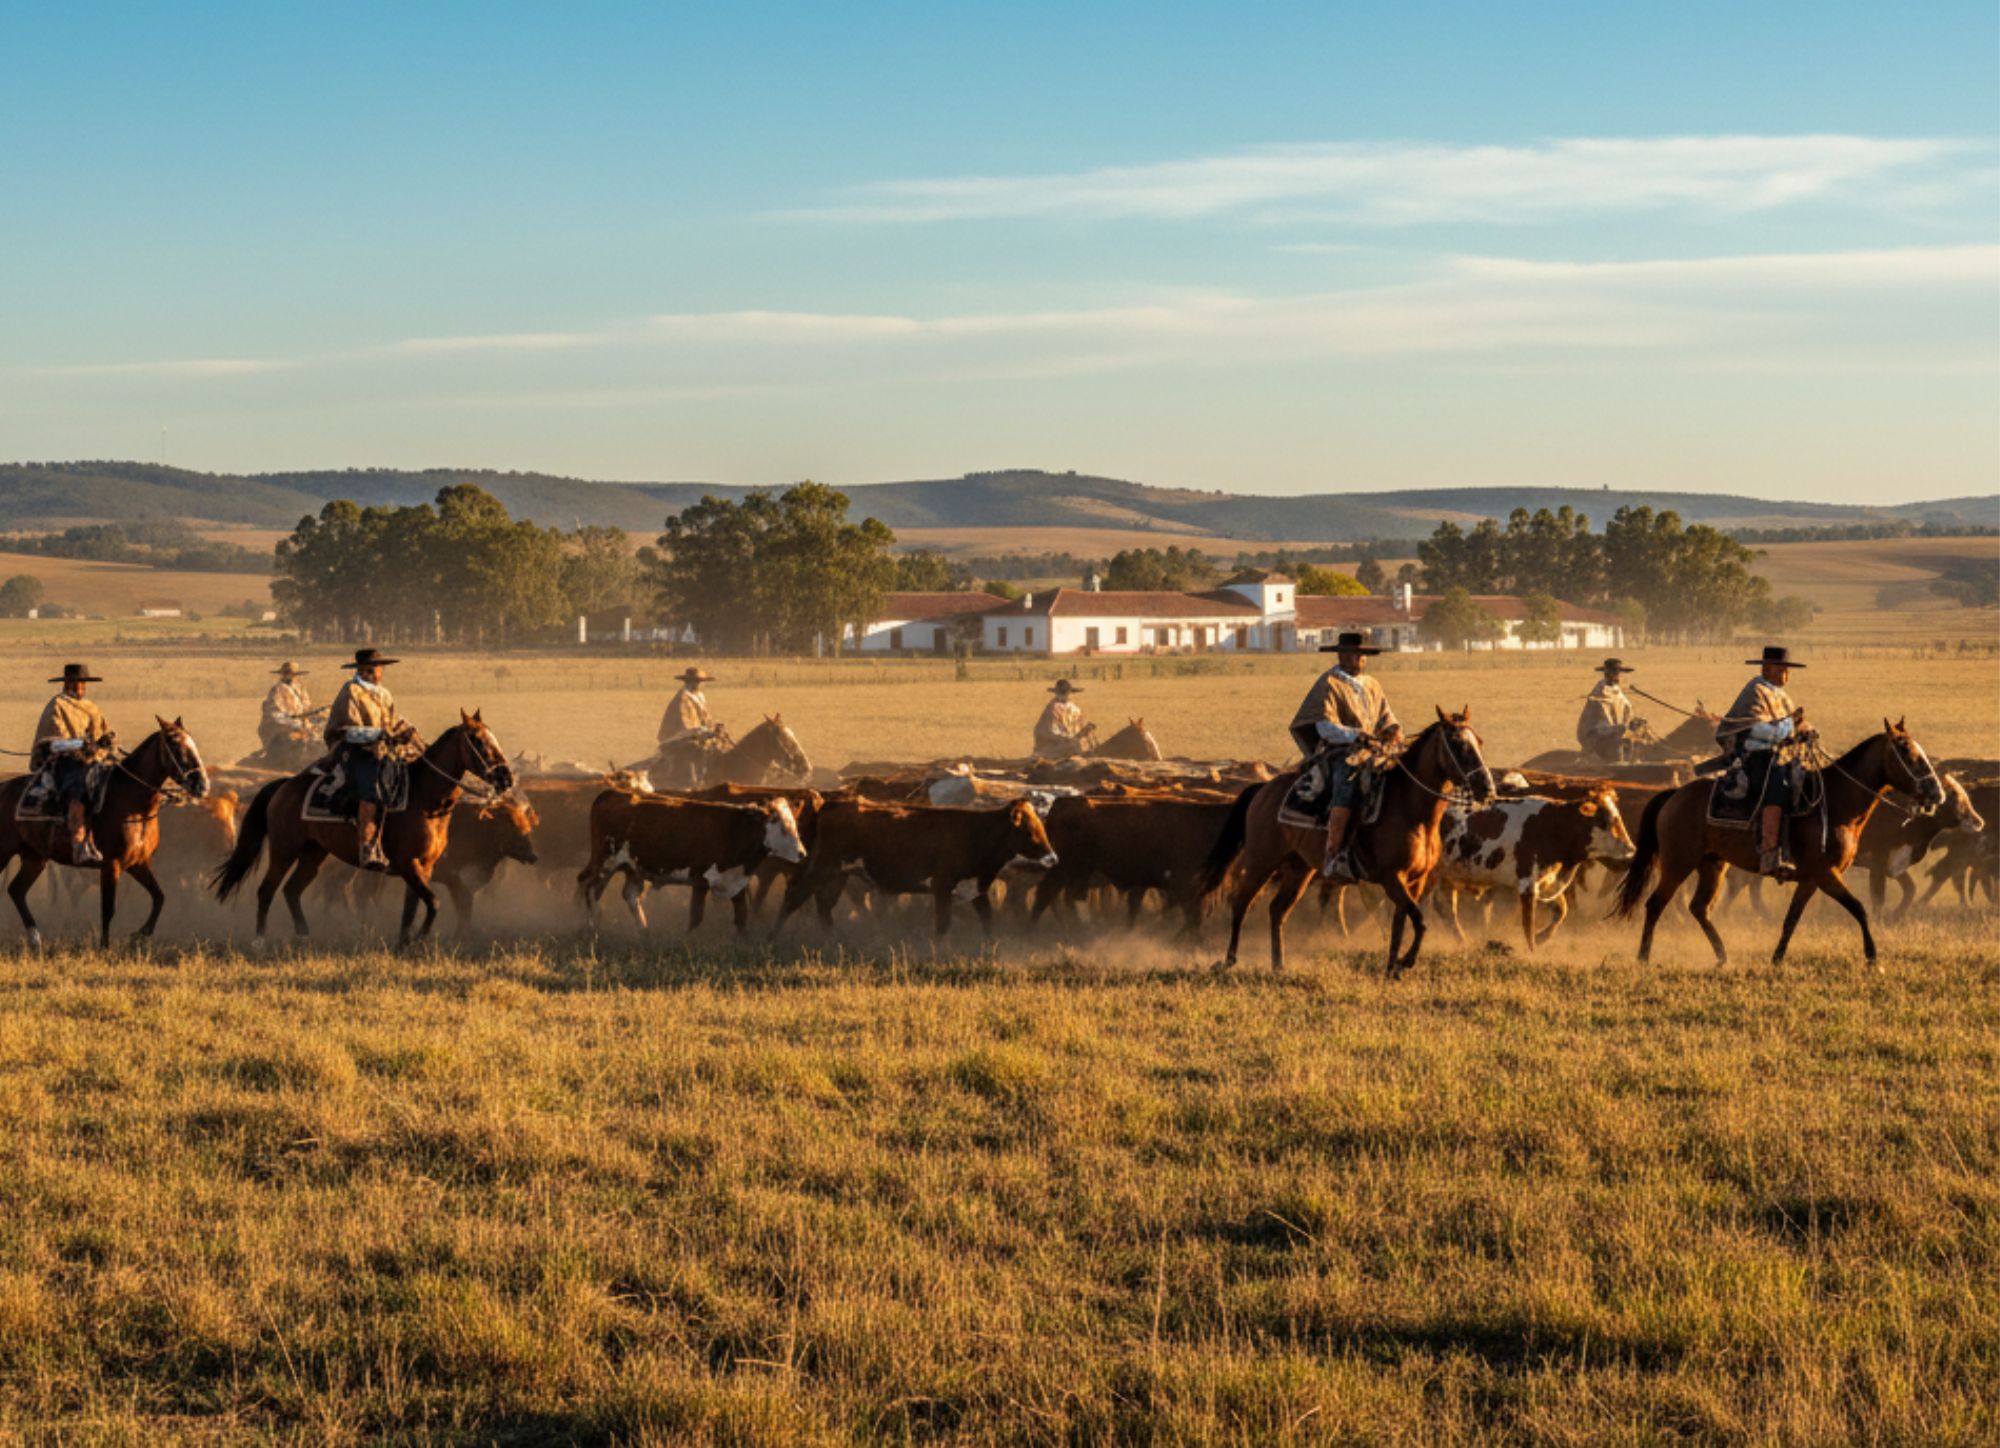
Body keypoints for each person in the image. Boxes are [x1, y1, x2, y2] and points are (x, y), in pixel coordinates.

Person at [1289, 632, 1402, 877]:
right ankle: (1334, 853)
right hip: (1342, 752)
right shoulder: (1329, 683)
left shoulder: (1372, 683)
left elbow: (1386, 716)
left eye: (1363, 655)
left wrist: (1393, 730)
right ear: (1341, 655)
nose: (1360, 659)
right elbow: (1324, 726)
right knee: (1346, 788)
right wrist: (1356, 735)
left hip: (1375, 751)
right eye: (1354, 654)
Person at [1718, 645, 1813, 879]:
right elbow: (1754, 729)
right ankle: (1770, 855)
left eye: (1787, 670)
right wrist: (1790, 729)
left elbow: (1794, 722)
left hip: (1780, 757)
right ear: (1768, 668)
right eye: (1782, 669)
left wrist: (1807, 730)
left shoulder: (1780, 694)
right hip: (1756, 757)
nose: (1786, 675)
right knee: (1777, 792)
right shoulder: (1755, 690)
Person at [323, 647, 410, 870]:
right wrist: (379, 734)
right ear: (362, 670)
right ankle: (367, 847)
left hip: (382, 751)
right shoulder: (350, 691)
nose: (374, 672)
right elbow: (347, 730)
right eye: (368, 669)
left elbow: (391, 723)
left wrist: (400, 733)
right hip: (353, 750)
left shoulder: (385, 694)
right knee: (372, 788)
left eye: (376, 668)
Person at [33, 662, 112, 865]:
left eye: (83, 682)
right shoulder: (57, 705)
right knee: (79, 785)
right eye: (76, 682)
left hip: (92, 761)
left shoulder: (91, 707)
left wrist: (107, 742)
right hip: (63, 762)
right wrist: (82, 744)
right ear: (67, 683)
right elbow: (52, 743)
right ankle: (79, 843)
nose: (80, 686)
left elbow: (102, 733)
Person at [1576, 658, 1640, 763]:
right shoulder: (1599, 694)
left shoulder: (1617, 691)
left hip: (1617, 732)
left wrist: (1634, 722)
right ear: (1607, 673)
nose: (1618, 675)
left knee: (1639, 742)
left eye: (1619, 672)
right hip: (1598, 737)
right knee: (1617, 744)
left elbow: (1626, 713)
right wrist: (1622, 728)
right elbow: (1602, 726)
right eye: (1615, 672)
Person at [260, 661, 314, 751]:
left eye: (293, 674)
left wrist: (305, 715)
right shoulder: (277, 689)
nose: (291, 677)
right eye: (288, 674)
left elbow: (306, 703)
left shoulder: (300, 687)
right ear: (283, 675)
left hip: (300, 718)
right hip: (283, 720)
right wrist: (293, 717)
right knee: (296, 727)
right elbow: (275, 710)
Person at [658, 667, 718, 748]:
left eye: (701, 681)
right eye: (697, 681)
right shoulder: (682, 699)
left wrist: (713, 728)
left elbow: (705, 718)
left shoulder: (698, 697)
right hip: (678, 740)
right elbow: (685, 724)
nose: (699, 684)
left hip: (695, 737)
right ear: (689, 682)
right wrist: (701, 731)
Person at [1032, 679, 1093, 758]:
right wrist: (1069, 739)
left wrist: (1085, 731)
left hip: (1071, 743)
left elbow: (1078, 730)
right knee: (1073, 747)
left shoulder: (1074, 709)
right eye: (1062, 693)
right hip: (1050, 748)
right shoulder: (1053, 708)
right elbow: (1050, 732)